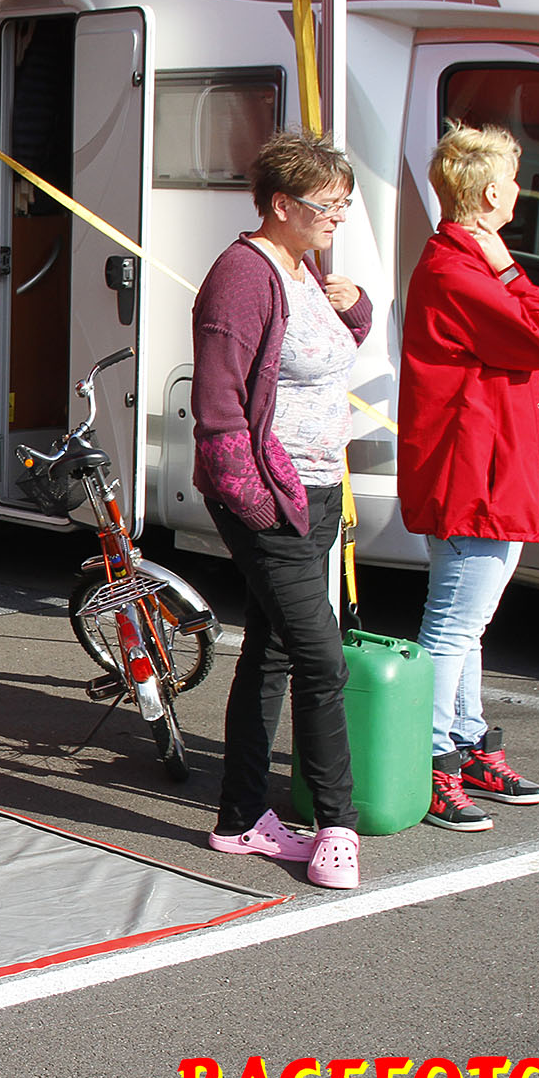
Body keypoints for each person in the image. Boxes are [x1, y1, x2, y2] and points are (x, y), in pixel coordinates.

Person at [191, 131, 372, 890]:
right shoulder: (243, 274)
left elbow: (320, 360)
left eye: (344, 202)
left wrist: (356, 310)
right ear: (279, 204)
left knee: (270, 651)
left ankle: (241, 820)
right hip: (273, 497)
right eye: (326, 204)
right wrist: (255, 502)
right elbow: (218, 406)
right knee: (322, 659)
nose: (338, 216)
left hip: (318, 490)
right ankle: (337, 826)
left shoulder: (306, 267)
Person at [399, 122, 539, 831]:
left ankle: (464, 744)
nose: (520, 191)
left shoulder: (454, 263)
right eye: (514, 179)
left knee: (468, 624)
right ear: (493, 192)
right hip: (475, 475)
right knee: (454, 626)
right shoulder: (461, 270)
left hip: (482, 469)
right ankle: (432, 759)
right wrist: (508, 270)